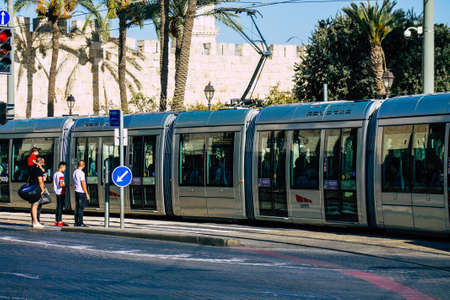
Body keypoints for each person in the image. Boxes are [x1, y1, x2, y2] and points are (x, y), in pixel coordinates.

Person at [29, 156, 46, 228]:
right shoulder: (38, 170)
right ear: (41, 163)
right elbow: (40, 180)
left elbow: (43, 171)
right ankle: (35, 222)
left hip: (33, 187)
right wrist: (42, 189)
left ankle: (35, 221)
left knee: (35, 205)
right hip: (37, 189)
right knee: (35, 205)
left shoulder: (33, 168)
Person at [73, 160, 90, 227]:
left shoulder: (75, 172)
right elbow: (83, 183)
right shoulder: (81, 173)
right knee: (81, 208)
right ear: (83, 165)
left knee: (77, 207)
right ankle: (81, 222)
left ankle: (76, 222)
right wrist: (87, 193)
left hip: (76, 191)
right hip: (81, 192)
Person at [53, 162, 68, 227]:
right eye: (65, 167)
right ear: (62, 167)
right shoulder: (61, 175)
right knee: (60, 207)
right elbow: (61, 184)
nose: (65, 169)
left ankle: (57, 221)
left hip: (57, 192)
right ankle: (59, 221)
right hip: (61, 192)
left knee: (58, 207)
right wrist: (67, 185)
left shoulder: (55, 174)